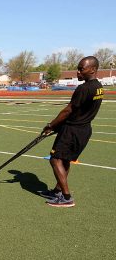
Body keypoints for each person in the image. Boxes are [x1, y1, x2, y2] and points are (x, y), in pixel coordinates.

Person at [41, 56, 104, 207]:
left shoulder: (84, 88)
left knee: (55, 159)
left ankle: (66, 197)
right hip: (84, 129)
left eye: (82, 69)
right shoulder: (98, 87)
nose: (78, 72)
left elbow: (68, 110)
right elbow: (79, 110)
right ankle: (57, 191)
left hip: (73, 130)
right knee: (65, 160)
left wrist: (51, 125)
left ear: (93, 69)